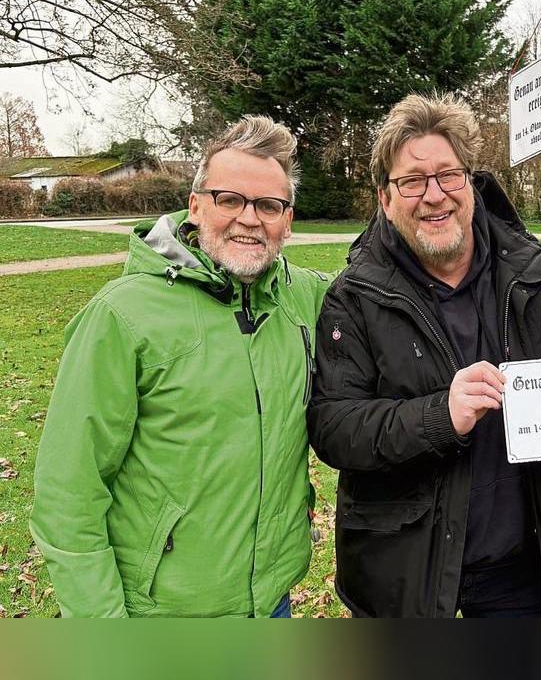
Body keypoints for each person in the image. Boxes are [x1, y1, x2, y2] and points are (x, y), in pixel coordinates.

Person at [307, 92, 541, 618]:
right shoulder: (356, 295)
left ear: (471, 183)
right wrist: (440, 415)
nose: (433, 195)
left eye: (448, 175)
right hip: (405, 575)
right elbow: (333, 426)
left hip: (524, 572)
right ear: (385, 200)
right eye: (411, 181)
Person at [30, 116, 330, 617]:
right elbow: (69, 493)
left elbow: (384, 287)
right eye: (229, 199)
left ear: (288, 219)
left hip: (271, 602)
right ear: (196, 206)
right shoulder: (121, 316)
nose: (249, 219)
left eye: (268, 205)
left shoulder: (305, 299)